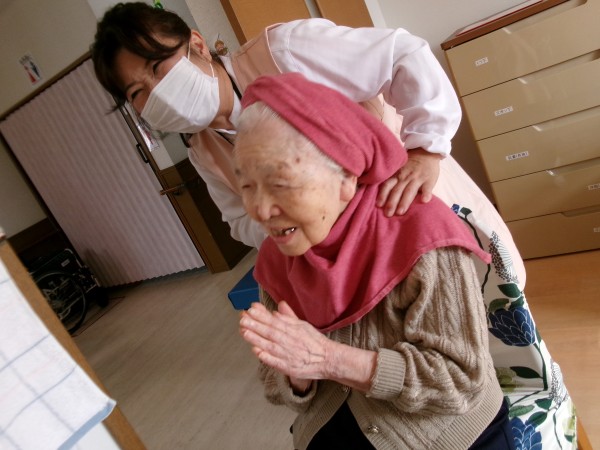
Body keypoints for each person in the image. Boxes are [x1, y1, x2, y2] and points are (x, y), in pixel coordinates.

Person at [91, 3, 526, 292]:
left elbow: (401, 55)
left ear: (198, 46)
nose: (157, 91)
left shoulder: (283, 52)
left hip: (413, 205)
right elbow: (239, 221)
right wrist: (290, 222)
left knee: (487, 316)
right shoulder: (203, 151)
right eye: (137, 92)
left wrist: (425, 150)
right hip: (354, 263)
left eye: (158, 66)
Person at [234, 73, 515, 450]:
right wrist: (295, 374)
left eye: (280, 184)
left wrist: (329, 359)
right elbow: (275, 383)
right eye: (247, 186)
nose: (260, 210)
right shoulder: (277, 256)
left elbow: (460, 381)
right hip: (336, 423)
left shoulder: (420, 235)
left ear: (346, 176)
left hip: (446, 431)